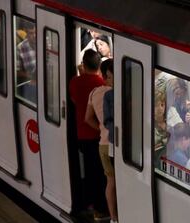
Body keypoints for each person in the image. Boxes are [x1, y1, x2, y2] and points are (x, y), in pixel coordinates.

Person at [69, 49, 108, 220]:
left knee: (90, 172)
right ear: (100, 67)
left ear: (83, 65)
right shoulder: (102, 84)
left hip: (82, 134)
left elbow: (75, 100)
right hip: (98, 137)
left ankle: (89, 203)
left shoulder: (75, 82)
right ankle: (101, 207)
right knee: (100, 175)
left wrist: (81, 74)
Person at [84, 59, 118, 223]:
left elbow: (87, 118)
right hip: (114, 144)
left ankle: (113, 218)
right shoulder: (113, 94)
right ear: (107, 76)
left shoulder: (94, 92)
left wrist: (101, 130)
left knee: (110, 182)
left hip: (102, 144)